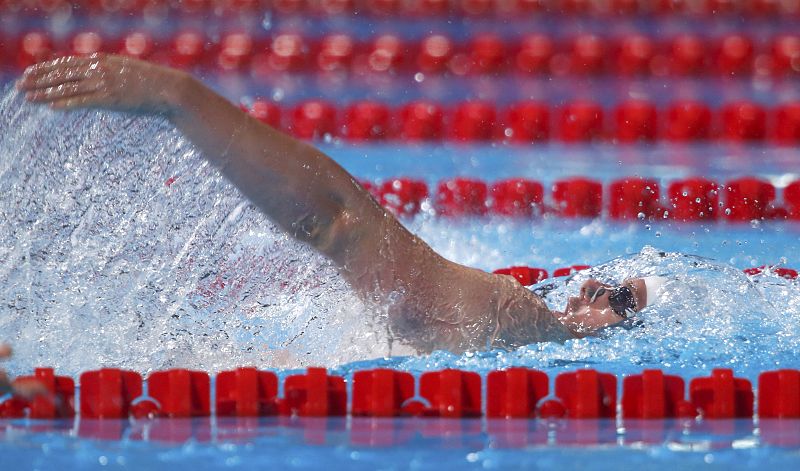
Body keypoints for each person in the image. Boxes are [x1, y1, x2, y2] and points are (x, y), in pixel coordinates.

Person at [12, 53, 653, 358]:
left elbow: (336, 223)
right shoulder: (486, 318)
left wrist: (177, 95)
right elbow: (337, 227)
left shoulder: (490, 315)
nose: (587, 290)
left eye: (607, 299)